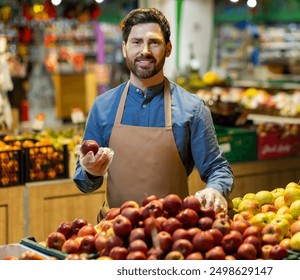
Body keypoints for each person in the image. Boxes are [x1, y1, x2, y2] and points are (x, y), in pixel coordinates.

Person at [73, 7, 234, 221]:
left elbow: (217, 168)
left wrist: (215, 190)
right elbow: (83, 182)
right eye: (136, 42)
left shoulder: (193, 109)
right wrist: (91, 171)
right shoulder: (102, 106)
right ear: (124, 48)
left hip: (173, 234)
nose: (145, 50)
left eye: (154, 42)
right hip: (114, 232)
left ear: (168, 48)